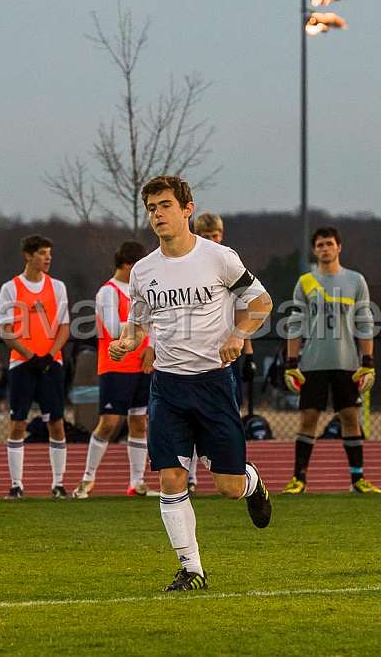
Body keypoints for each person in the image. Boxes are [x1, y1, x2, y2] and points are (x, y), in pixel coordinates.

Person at [109, 175, 273, 592]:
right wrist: (126, 343)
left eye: (165, 205)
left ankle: (251, 483)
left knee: (228, 487)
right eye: (151, 209)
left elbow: (262, 302)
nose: (157, 215)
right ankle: (192, 569)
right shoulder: (143, 271)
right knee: (170, 478)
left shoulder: (219, 258)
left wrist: (239, 335)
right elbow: (137, 325)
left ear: (187, 209)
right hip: (167, 388)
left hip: (214, 385)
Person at [282, 227, 379, 495]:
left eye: (329, 244)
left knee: (350, 417)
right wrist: (291, 364)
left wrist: (368, 362)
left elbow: (364, 324)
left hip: (347, 363)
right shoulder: (305, 282)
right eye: (320, 245)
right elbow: (295, 324)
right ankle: (298, 479)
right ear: (315, 250)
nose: (325, 248)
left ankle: (357, 479)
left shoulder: (355, 280)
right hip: (313, 363)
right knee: (308, 419)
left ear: (339, 247)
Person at [173, 212, 256, 494]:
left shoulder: (227, 261)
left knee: (226, 420)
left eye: (215, 235)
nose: (211, 240)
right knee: (186, 422)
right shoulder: (184, 263)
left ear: (222, 234)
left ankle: (239, 473)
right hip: (187, 358)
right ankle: (191, 475)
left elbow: (247, 307)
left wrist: (248, 351)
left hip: (223, 358)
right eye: (205, 235)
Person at [72, 240, 157, 499]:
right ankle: (87, 479)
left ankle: (137, 482)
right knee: (108, 423)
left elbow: (154, 325)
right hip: (116, 365)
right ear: (128, 265)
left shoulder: (142, 292)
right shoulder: (107, 292)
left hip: (141, 364)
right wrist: (141, 327)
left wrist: (149, 347)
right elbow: (112, 328)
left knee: (139, 423)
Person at [0, 235, 70, 499]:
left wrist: (49, 356)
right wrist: (30, 355)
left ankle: (58, 484)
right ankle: (16, 485)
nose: (47, 258)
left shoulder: (58, 287)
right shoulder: (11, 288)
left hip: (51, 365)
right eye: (42, 253)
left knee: (57, 423)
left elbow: (63, 326)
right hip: (22, 365)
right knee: (18, 423)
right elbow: (5, 331)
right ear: (28, 256)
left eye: (49, 253)